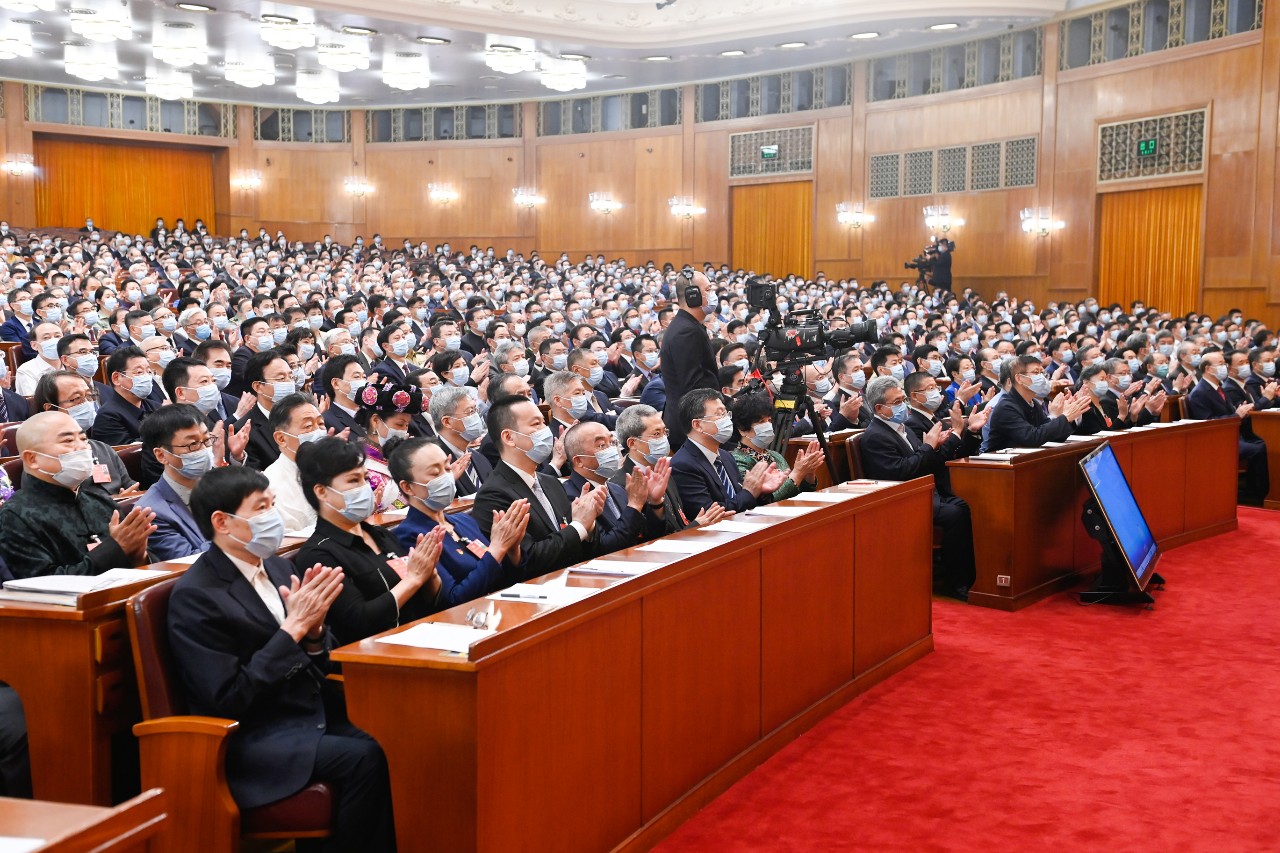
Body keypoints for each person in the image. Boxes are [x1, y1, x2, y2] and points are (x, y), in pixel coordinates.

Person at [169, 466, 396, 853]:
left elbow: (316, 658)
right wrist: (291, 631)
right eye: (261, 508)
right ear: (222, 522)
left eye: (273, 504)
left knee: (400, 733)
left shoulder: (276, 564)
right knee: (364, 758)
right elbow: (227, 697)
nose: (272, 515)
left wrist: (313, 634)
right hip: (255, 734)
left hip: (305, 710)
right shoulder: (197, 596)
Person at [294, 438, 447, 642]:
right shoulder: (318, 554)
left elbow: (427, 604)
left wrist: (430, 575)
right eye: (353, 481)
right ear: (322, 492)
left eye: (365, 479)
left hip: (424, 638)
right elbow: (359, 621)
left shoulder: (382, 535)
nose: (365, 488)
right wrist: (413, 579)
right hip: (375, 658)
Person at [857, 376, 974, 601]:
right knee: (956, 513)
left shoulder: (902, 427)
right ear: (880, 408)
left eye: (903, 399)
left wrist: (939, 445)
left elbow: (924, 462)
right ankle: (956, 582)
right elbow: (901, 472)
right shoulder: (875, 436)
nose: (904, 405)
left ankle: (969, 577)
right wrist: (929, 447)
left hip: (923, 490)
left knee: (963, 503)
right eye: (898, 401)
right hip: (900, 498)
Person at [0, 412, 156, 577]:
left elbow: (145, 566)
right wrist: (115, 548)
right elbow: (41, 586)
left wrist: (139, 557)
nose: (82, 447)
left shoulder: (99, 500)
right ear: (32, 459)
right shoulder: (14, 516)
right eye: (68, 441)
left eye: (83, 439)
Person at [472, 396, 606, 578]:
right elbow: (529, 559)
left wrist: (589, 525)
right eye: (536, 424)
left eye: (544, 422)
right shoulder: (493, 495)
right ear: (509, 437)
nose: (545, 430)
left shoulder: (550, 482)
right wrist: (579, 526)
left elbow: (584, 547)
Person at [388, 437, 524, 605]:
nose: (446, 477)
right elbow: (452, 600)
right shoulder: (410, 536)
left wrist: (512, 549)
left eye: (446, 468)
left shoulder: (464, 520)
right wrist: (497, 548)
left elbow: (503, 575)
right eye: (435, 473)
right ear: (408, 487)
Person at [670, 388, 787, 516]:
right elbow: (711, 513)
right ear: (697, 425)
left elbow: (742, 502)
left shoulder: (725, 456)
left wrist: (759, 490)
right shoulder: (683, 464)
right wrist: (749, 492)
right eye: (720, 414)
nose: (726, 419)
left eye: (726, 413)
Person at [612, 403, 724, 535]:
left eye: (664, 432)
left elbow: (679, 521)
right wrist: (695, 527)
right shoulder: (621, 485)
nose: (664, 439)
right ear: (632, 443)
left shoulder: (663, 470)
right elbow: (647, 538)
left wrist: (701, 522)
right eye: (656, 434)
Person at [31, 371, 140, 497]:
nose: (87, 404)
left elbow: (130, 487)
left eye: (89, 397)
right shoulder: (44, 459)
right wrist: (110, 505)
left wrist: (128, 497)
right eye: (76, 399)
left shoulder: (103, 449)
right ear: (50, 408)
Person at [562, 420, 660, 552]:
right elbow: (605, 548)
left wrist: (655, 503)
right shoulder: (571, 497)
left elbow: (648, 535)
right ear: (579, 461)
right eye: (602, 445)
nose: (612, 450)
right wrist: (634, 505)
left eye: (612, 443)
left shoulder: (617, 489)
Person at [1185, 350, 1268, 504]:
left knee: (1264, 442)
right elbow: (1207, 423)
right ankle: (1255, 495)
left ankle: (1260, 492)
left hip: (1231, 434)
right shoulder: (1200, 392)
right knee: (1258, 449)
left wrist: (1241, 411)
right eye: (1221, 364)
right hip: (1215, 441)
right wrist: (1236, 415)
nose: (1225, 367)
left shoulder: (1218, 387)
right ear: (1208, 369)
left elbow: (1230, 412)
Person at [137, 404, 215, 561]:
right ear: (161, 455)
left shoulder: (227, 487)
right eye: (192, 445)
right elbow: (187, 564)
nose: (204, 450)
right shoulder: (152, 513)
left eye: (206, 440)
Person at [659, 270, 720, 448]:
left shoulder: (690, 325)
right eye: (708, 289)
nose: (713, 295)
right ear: (692, 295)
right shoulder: (686, 331)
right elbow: (693, 387)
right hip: (690, 428)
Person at [729, 392, 825, 502]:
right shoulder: (736, 460)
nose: (768, 425)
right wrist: (798, 473)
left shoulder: (775, 455)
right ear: (742, 429)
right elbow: (768, 501)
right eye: (761, 422)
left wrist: (808, 473)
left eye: (769, 420)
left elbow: (801, 493)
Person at [985, 355, 1091, 452]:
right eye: (1036, 373)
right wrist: (1066, 416)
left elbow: (1052, 435)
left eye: (1042, 372)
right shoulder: (1006, 406)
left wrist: (1072, 416)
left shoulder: (1034, 403)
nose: (1041, 377)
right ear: (1019, 378)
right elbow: (1032, 438)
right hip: (1001, 467)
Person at [263, 393, 331, 538]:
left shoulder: (337, 468)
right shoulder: (270, 486)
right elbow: (286, 543)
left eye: (320, 424)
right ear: (281, 438)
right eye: (307, 426)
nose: (318, 431)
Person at [355, 382, 424, 512]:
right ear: (375, 421)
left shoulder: (403, 457)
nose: (404, 430)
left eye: (407, 426)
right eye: (399, 424)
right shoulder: (357, 463)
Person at [428, 385, 491, 497]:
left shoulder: (479, 457)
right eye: (470, 412)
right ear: (447, 422)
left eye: (475, 410)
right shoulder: (432, 463)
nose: (476, 416)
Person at [236, 349, 292, 471]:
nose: (289, 382)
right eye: (281, 379)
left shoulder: (304, 418)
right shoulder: (245, 430)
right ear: (258, 386)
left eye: (291, 376)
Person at [93, 345, 159, 446]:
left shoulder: (156, 407)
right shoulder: (108, 416)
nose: (147, 377)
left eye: (149, 372)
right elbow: (128, 455)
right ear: (116, 378)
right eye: (139, 372)